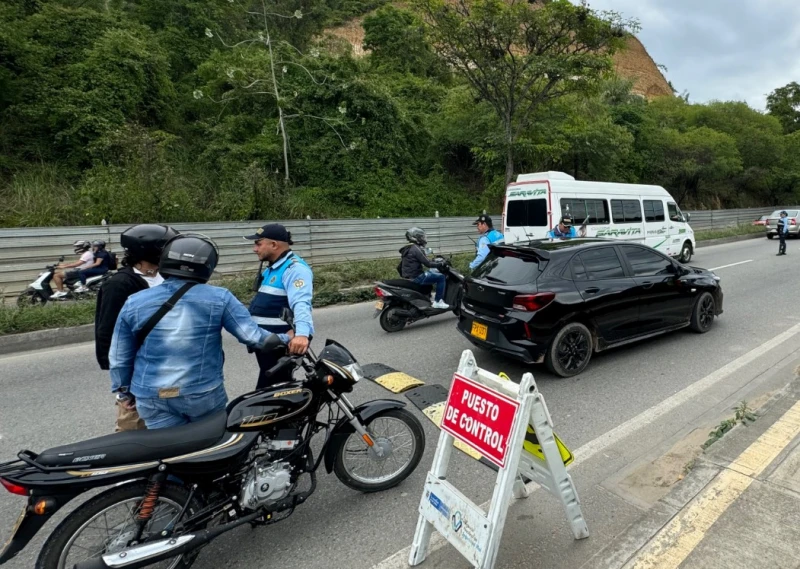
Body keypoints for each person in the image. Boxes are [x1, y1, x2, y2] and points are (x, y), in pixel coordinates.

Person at [109, 235, 274, 429]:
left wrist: (123, 392)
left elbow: (119, 356)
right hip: (202, 393)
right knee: (209, 447)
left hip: (151, 396)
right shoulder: (220, 298)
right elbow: (252, 337)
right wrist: (286, 340)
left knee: (169, 450)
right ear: (208, 265)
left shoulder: (134, 302)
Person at [95, 224, 178, 431]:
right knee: (135, 431)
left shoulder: (168, 277)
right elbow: (108, 331)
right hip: (139, 369)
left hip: (169, 366)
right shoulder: (120, 284)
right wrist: (124, 387)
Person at [244, 223, 314, 389]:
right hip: (268, 343)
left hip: (281, 344)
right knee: (275, 391)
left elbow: (301, 303)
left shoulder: (295, 269)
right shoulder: (273, 268)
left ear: (274, 245)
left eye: (258, 243)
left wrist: (302, 334)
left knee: (272, 394)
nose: (255, 249)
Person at [399, 227, 449, 309]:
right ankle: (438, 301)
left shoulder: (407, 248)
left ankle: (427, 298)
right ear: (416, 237)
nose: (423, 238)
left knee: (430, 274)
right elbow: (428, 263)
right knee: (441, 277)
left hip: (408, 276)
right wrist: (440, 263)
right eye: (421, 236)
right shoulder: (416, 248)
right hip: (415, 277)